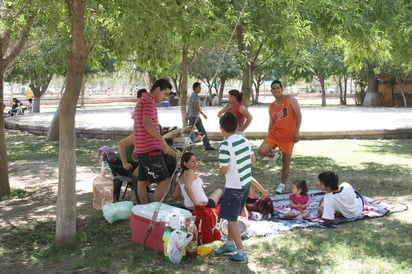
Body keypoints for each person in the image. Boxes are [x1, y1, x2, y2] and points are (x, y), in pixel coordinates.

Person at [214, 112, 253, 264]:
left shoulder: (225, 145)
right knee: (233, 216)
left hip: (234, 186)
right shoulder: (244, 141)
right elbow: (253, 159)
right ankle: (229, 244)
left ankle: (241, 252)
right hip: (245, 184)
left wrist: (218, 166)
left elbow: (223, 170)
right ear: (237, 126)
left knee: (231, 219)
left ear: (221, 129)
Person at [133, 79, 180, 204]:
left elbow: (138, 127)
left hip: (142, 148)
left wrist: (136, 147)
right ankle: (155, 210)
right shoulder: (149, 101)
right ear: (157, 89)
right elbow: (147, 124)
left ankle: (144, 209)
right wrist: (162, 141)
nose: (165, 97)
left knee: (142, 181)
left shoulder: (142, 100)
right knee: (164, 180)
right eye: (164, 94)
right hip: (150, 148)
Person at [257, 80, 302, 194]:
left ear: (282, 89)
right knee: (261, 151)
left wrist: (297, 132)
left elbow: (298, 115)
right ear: (271, 91)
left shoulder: (290, 100)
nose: (276, 90)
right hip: (274, 135)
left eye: (278, 88)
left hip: (288, 136)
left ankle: (282, 184)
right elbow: (271, 121)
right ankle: (274, 155)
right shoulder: (271, 106)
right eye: (273, 88)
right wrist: (268, 133)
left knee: (286, 161)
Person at [188, 82, 215, 151]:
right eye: (199, 87)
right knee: (190, 132)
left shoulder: (195, 95)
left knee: (202, 131)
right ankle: (188, 146)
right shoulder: (194, 95)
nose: (200, 89)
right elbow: (195, 106)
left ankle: (207, 146)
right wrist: (203, 114)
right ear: (195, 88)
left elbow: (191, 106)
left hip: (195, 117)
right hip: (194, 117)